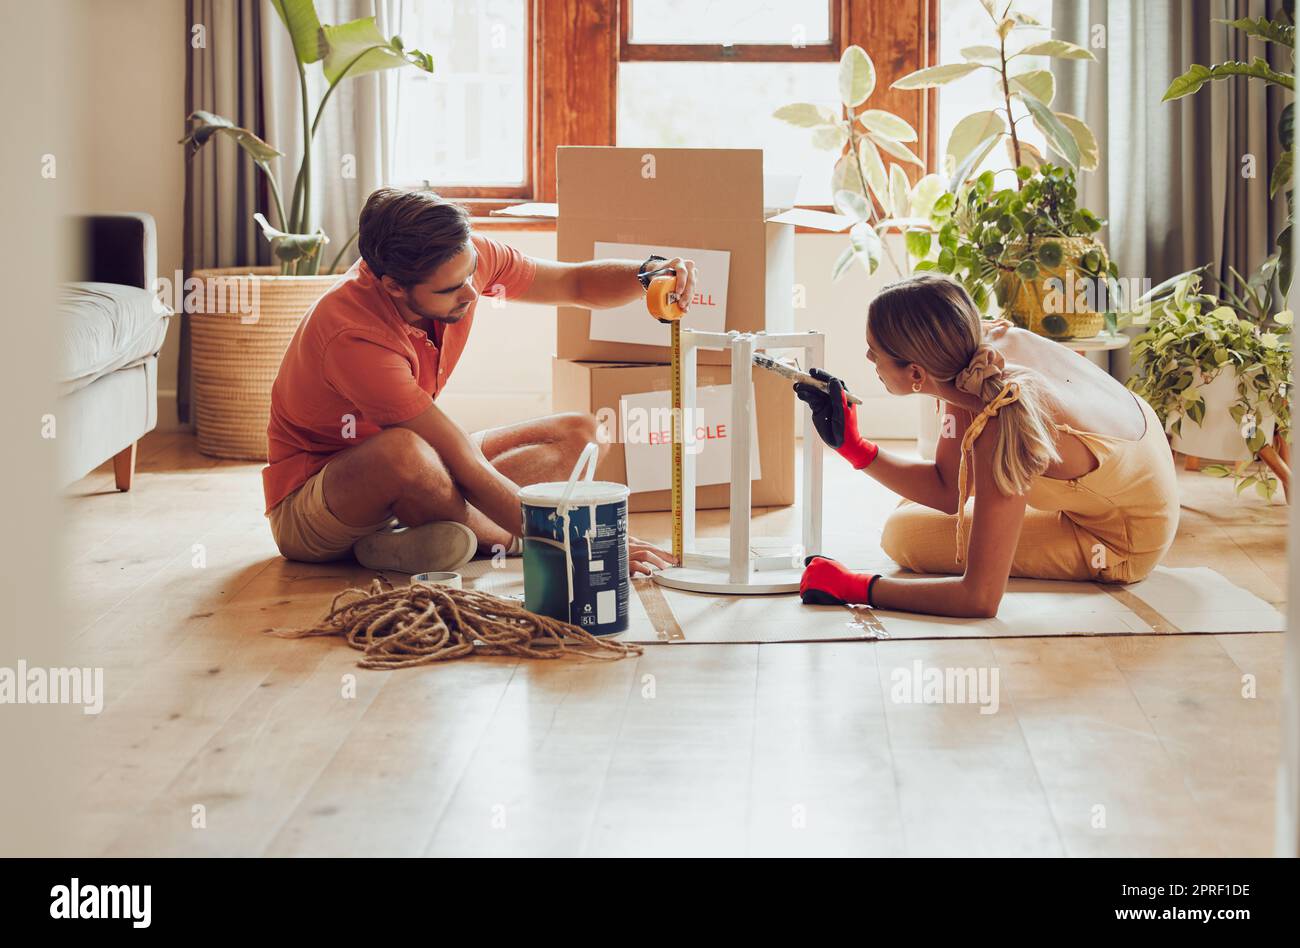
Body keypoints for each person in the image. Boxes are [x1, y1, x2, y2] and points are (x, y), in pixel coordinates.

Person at [263, 187, 688, 575]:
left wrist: (647, 272)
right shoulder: (351, 335)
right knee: (403, 453)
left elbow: (572, 282)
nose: (471, 291)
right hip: (320, 503)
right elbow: (460, 461)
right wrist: (578, 541)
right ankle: (515, 541)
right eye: (451, 289)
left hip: (425, 474)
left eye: (470, 274)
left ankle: (422, 540)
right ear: (393, 286)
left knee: (582, 435)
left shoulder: (461, 258)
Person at [794, 273, 1179, 619]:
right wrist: (853, 447)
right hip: (1142, 478)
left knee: (904, 533)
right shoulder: (976, 357)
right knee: (913, 507)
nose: (868, 359)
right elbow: (949, 491)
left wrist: (855, 587)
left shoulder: (1001, 415)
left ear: (915, 373)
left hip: (1125, 538)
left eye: (873, 351)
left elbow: (978, 598)